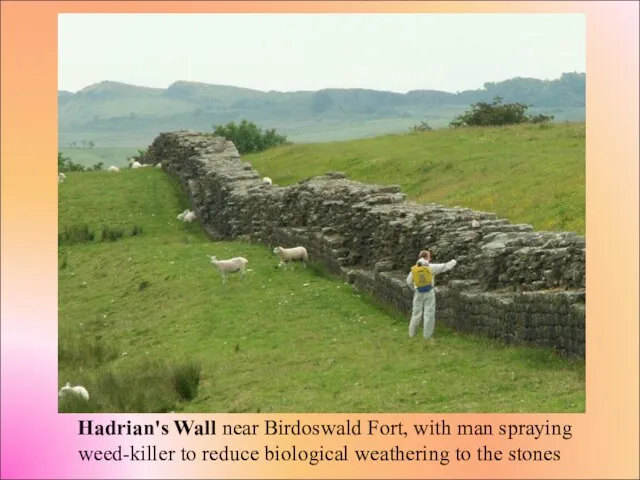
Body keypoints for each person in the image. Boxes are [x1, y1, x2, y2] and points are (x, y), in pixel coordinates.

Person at [406, 250, 457, 341]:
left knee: (416, 313)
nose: (430, 258)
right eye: (429, 256)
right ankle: (427, 336)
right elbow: (444, 267)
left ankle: (411, 334)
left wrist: (414, 289)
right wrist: (454, 261)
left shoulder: (414, 269)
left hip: (418, 292)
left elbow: (409, 281)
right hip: (429, 292)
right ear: (426, 257)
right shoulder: (430, 267)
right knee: (429, 313)